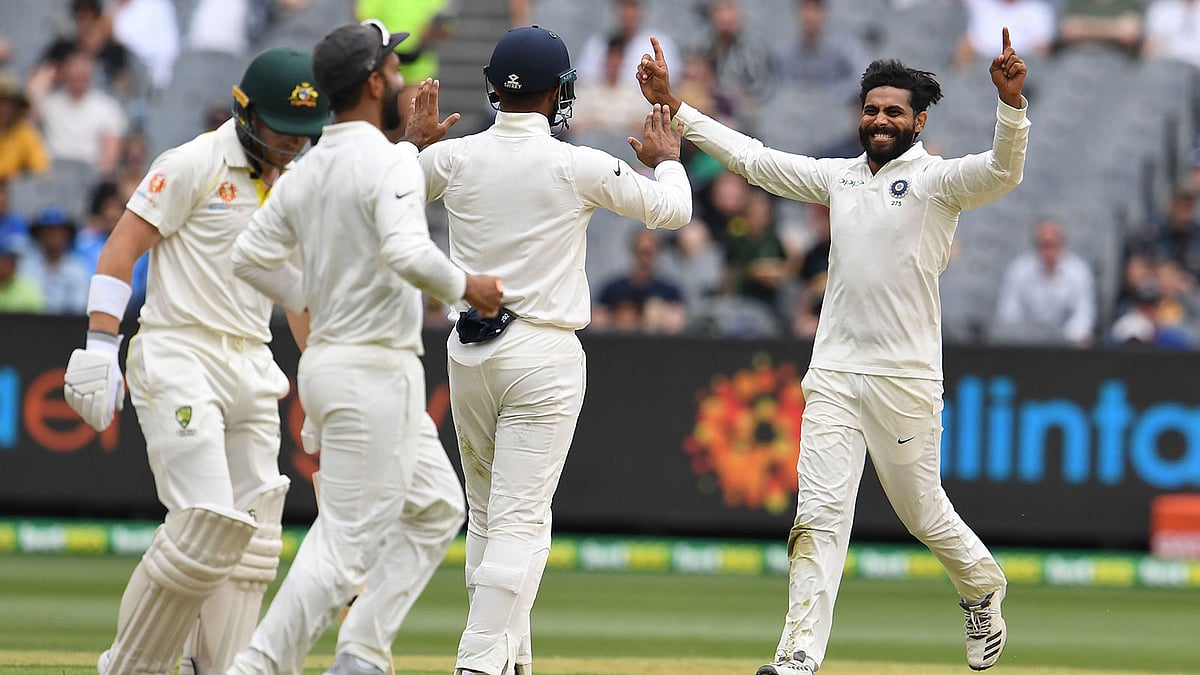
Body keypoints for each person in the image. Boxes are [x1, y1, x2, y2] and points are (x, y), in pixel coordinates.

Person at [638, 26, 1030, 674]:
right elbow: (756, 161)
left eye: (893, 112)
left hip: (904, 377)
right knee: (817, 514)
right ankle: (798, 656)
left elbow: (1002, 172)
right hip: (836, 372)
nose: (879, 120)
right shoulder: (840, 179)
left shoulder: (937, 181)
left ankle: (981, 584)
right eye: (871, 109)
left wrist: (1011, 108)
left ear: (919, 120)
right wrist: (678, 110)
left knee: (922, 511)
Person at [407, 25, 691, 675]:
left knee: (488, 519)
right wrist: (667, 156)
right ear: (559, 93)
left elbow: (384, 196)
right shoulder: (577, 163)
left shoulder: (452, 159)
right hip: (543, 355)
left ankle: (511, 660)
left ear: (492, 90)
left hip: (468, 353)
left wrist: (410, 146)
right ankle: (479, 660)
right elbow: (673, 210)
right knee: (521, 521)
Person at [223, 21, 503, 675]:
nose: (402, 74)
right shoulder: (381, 162)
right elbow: (406, 250)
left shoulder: (317, 161)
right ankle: (257, 664)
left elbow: (250, 255)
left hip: (334, 364)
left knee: (437, 506)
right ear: (374, 81)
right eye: (393, 66)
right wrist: (472, 287)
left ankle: (361, 650)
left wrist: (312, 291)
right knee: (346, 543)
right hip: (373, 369)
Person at [61, 46, 330, 675]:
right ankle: (131, 666)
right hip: (179, 351)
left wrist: (321, 383)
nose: (291, 148)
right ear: (245, 114)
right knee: (204, 524)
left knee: (255, 537)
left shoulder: (297, 186)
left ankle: (213, 666)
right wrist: (102, 344)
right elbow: (122, 249)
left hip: (252, 363)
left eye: (302, 137)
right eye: (280, 133)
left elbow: (300, 296)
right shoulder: (195, 162)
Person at [991, 218, 1097, 346]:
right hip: (1026, 344)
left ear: (1062, 244)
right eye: (1044, 245)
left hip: (1067, 345)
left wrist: (1061, 340)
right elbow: (1009, 313)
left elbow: (1083, 316)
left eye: (1052, 244)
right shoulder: (1019, 270)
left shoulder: (1080, 271)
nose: (1048, 252)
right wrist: (1027, 337)